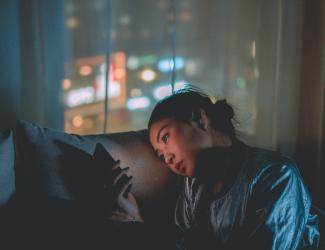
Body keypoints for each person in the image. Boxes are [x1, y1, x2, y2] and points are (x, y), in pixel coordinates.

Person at [109, 87, 321, 249]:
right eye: (160, 155)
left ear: (200, 119)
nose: (167, 158)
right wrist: (137, 219)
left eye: (166, 137)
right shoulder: (193, 189)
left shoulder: (275, 174)